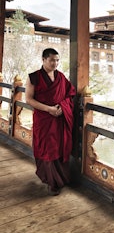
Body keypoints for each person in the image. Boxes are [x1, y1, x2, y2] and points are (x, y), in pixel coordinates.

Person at [25, 48, 76, 196]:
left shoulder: (60, 77)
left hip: (59, 118)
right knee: (47, 149)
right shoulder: (34, 77)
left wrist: (62, 107)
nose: (55, 63)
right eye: (52, 60)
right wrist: (49, 109)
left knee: (58, 147)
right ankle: (52, 182)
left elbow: (70, 93)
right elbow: (29, 99)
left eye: (57, 60)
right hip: (44, 119)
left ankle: (60, 178)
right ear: (43, 59)